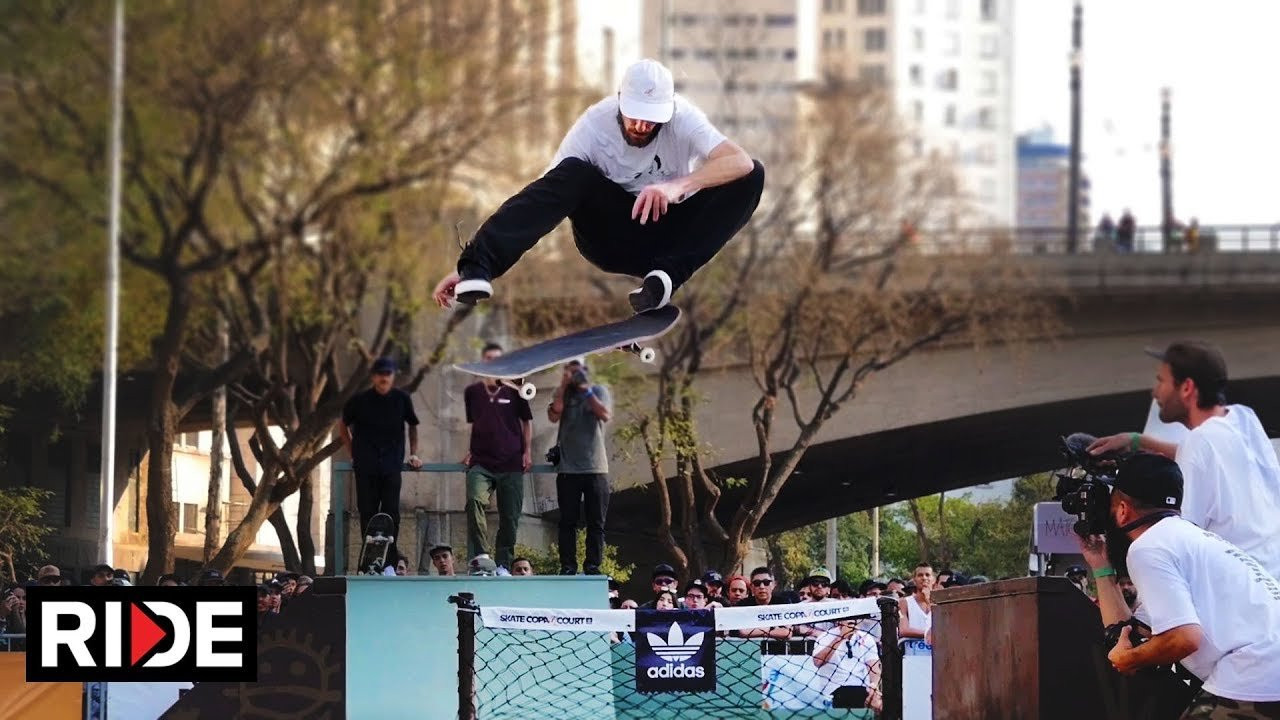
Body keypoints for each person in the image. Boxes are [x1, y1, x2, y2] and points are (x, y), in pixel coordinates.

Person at [432, 58, 765, 313]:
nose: (640, 125)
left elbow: (740, 161)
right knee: (575, 172)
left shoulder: (684, 119)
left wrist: (677, 186)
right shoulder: (593, 125)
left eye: (651, 119)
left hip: (670, 236)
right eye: (634, 115)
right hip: (611, 237)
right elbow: (542, 199)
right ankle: (479, 267)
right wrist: (469, 266)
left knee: (751, 176)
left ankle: (663, 281)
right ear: (620, 99)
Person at [1076, 453, 1280, 717]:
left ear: (1123, 511)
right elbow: (1131, 633)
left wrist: (1128, 659)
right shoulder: (1192, 540)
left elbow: (1183, 639)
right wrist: (1101, 566)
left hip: (1255, 673)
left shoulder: (1148, 547)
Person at [1088, 341, 1280, 578]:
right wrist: (1138, 441)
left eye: (1161, 381)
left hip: (1230, 596)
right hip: (1267, 586)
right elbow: (1209, 453)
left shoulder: (1199, 444)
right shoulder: (1243, 418)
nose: (1155, 392)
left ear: (1187, 387)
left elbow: (1179, 543)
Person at [338, 357, 423, 569]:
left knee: (391, 514)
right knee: (367, 512)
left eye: (388, 374)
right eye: (380, 374)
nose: (384, 378)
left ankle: (389, 564)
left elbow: (412, 425)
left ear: (393, 375)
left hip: (391, 464)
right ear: (373, 376)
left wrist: (414, 454)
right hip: (365, 465)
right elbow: (342, 426)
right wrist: (352, 452)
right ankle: (369, 563)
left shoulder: (402, 399)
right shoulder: (359, 400)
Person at [463, 343, 533, 572]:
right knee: (474, 500)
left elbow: (527, 423)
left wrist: (527, 451)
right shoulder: (472, 393)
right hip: (481, 462)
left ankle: (503, 563)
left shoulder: (516, 391)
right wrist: (469, 450)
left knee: (510, 515)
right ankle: (481, 555)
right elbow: (473, 425)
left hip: (511, 462)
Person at [547, 359, 612, 575]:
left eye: (578, 370)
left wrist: (586, 391)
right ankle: (568, 566)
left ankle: (593, 565)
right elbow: (554, 414)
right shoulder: (561, 392)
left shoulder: (598, 390)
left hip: (596, 469)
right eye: (570, 370)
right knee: (567, 522)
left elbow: (604, 414)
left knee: (596, 522)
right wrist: (564, 386)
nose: (575, 375)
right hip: (568, 469)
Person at [897, 563, 934, 655]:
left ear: (933, 579)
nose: (924, 578)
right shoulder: (904, 602)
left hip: (936, 655)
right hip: (913, 655)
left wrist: (929, 601)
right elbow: (903, 630)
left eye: (927, 575)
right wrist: (928, 634)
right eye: (920, 575)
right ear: (914, 580)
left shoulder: (941, 601)